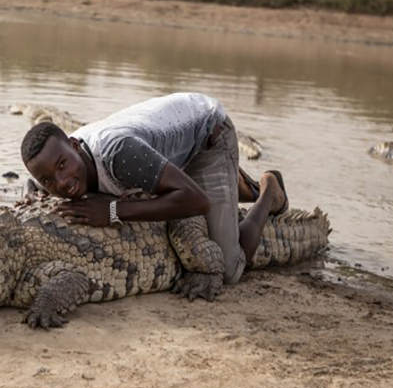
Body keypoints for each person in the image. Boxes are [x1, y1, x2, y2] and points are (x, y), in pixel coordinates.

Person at [20, 93, 287, 296]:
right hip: (157, 151)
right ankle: (229, 180)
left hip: (208, 136)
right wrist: (31, 193)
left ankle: (269, 191)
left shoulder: (118, 155)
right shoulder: (57, 165)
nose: (62, 182)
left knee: (229, 269)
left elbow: (197, 201)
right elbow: (39, 181)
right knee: (160, 178)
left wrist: (113, 210)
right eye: (47, 179)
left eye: (62, 166)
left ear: (74, 146)